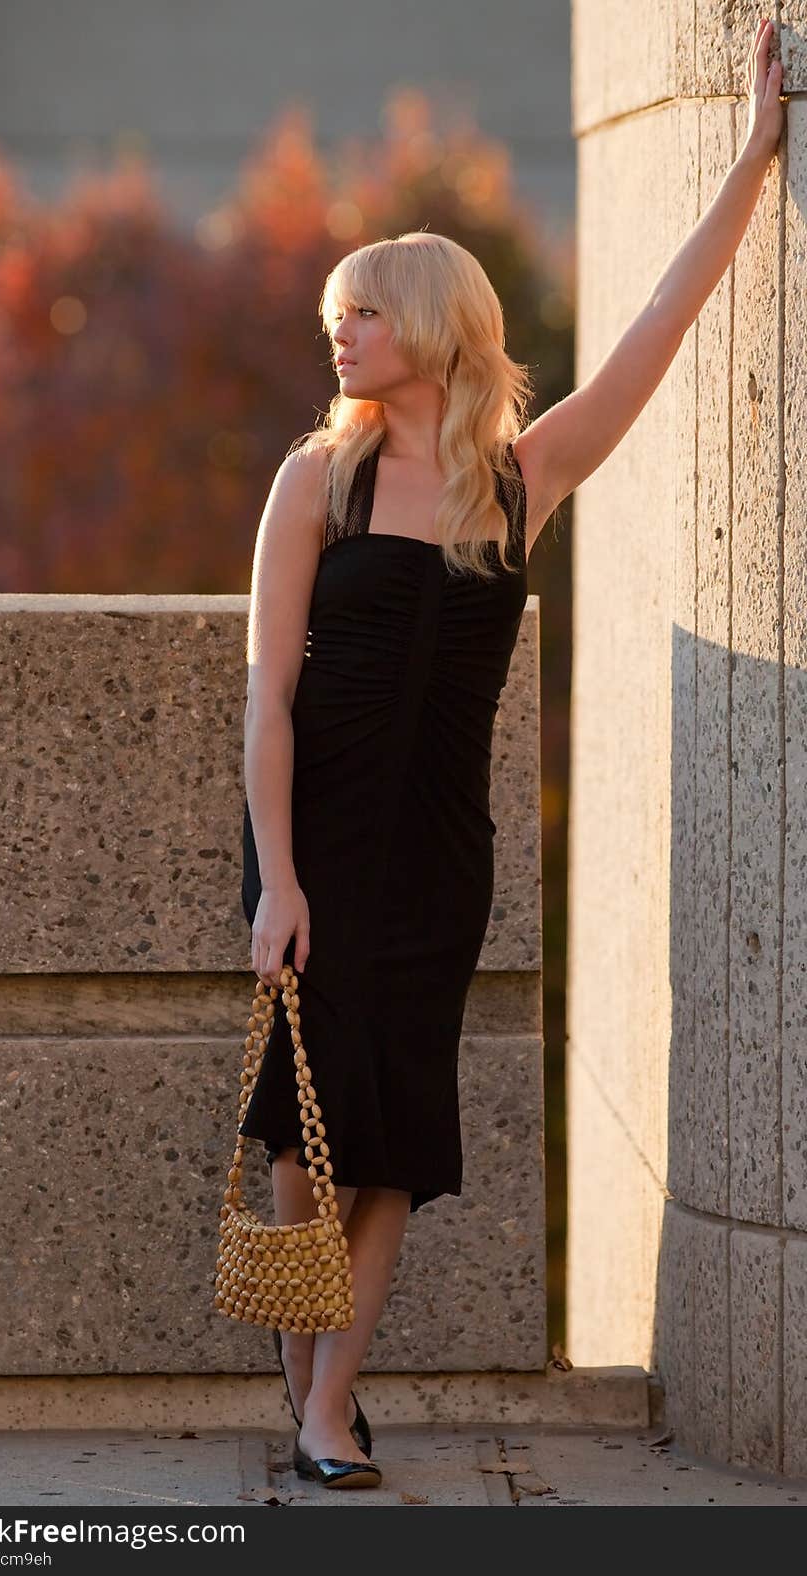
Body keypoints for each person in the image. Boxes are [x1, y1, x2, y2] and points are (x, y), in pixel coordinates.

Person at [237, 16, 784, 1491]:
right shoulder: (315, 480)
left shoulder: (512, 482)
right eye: (336, 313)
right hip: (318, 852)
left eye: (366, 311)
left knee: (397, 1140)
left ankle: (324, 1409)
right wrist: (275, 878)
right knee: (301, 1150)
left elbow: (659, 328)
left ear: (435, 325)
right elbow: (264, 696)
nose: (338, 331)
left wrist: (751, 151)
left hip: (438, 858)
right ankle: (315, 1395)